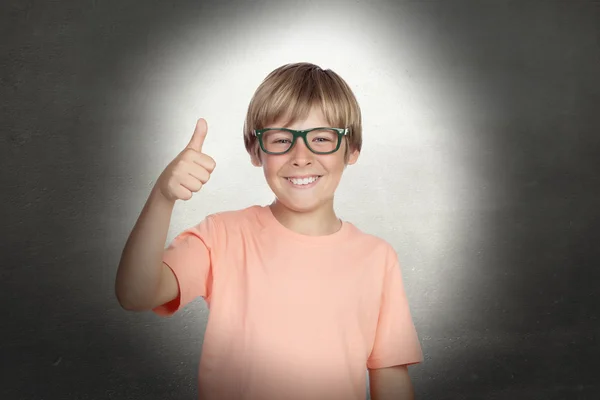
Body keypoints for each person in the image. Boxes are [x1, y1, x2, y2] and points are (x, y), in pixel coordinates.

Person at [115, 62, 423, 400]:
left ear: (351, 150)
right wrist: (163, 196)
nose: (301, 156)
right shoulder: (222, 236)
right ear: (255, 151)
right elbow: (135, 294)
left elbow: (390, 379)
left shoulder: (377, 259)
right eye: (281, 139)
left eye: (321, 138)